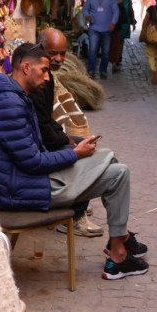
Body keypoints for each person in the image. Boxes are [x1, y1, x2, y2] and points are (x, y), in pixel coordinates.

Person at [0, 42, 150, 280]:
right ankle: (118, 251)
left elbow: (35, 147)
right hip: (20, 190)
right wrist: (74, 154)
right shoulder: (9, 104)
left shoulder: (15, 96)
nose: (48, 77)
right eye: (43, 70)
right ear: (26, 67)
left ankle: (118, 247)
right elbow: (33, 161)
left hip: (28, 181)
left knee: (114, 166)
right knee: (115, 168)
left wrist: (73, 149)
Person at [28, 28, 103, 237]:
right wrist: (69, 143)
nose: (59, 59)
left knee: (89, 146)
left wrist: (67, 138)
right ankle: (74, 216)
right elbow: (41, 128)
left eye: (63, 53)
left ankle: (77, 206)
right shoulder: (36, 78)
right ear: (39, 48)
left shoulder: (48, 76)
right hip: (37, 145)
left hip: (44, 137)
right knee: (86, 155)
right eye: (53, 53)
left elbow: (47, 120)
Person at [84, 0, 118, 79]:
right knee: (92, 50)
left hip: (107, 28)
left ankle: (103, 71)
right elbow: (85, 10)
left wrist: (113, 23)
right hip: (94, 28)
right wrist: (87, 15)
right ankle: (91, 71)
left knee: (106, 51)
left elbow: (116, 11)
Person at [109, 0, 136, 73]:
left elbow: (131, 10)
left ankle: (117, 58)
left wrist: (133, 21)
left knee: (121, 41)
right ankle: (115, 59)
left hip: (125, 23)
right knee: (115, 42)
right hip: (115, 23)